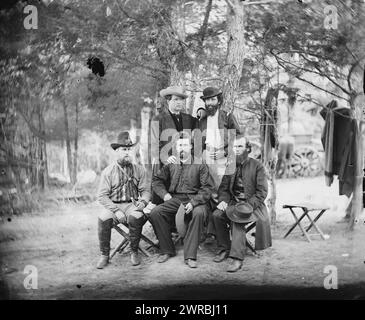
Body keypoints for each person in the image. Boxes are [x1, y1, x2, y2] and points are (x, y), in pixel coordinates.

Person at [149, 131, 213, 268]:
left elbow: (207, 188)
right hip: (176, 199)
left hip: (196, 199)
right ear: (176, 148)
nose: (182, 148)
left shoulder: (200, 163)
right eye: (179, 145)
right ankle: (167, 249)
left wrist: (194, 202)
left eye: (185, 145)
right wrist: (165, 195)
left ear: (190, 147)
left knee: (199, 213)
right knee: (156, 212)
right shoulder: (171, 163)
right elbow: (156, 181)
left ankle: (190, 255)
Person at [212, 134, 272, 272]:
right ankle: (224, 248)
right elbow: (224, 188)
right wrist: (223, 201)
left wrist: (248, 206)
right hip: (233, 202)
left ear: (247, 149)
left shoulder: (257, 166)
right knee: (216, 215)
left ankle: (237, 258)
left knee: (237, 219)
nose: (237, 149)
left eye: (240, 146)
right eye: (235, 147)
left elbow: (262, 192)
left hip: (253, 206)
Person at [96, 131, 151, 269]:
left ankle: (134, 251)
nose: (127, 152)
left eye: (129, 149)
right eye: (123, 150)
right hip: (114, 206)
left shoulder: (139, 170)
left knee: (136, 217)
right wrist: (115, 210)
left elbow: (145, 191)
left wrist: (143, 202)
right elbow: (102, 196)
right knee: (103, 219)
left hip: (132, 205)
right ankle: (104, 255)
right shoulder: (108, 171)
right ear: (116, 151)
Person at [198, 86, 242, 239]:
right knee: (208, 192)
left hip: (224, 159)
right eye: (207, 100)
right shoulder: (202, 119)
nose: (210, 103)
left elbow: (237, 136)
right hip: (208, 160)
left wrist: (225, 151)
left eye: (213, 99)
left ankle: (223, 226)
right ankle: (211, 231)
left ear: (218, 101)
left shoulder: (227, 116)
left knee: (222, 191)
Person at [150, 86, 199, 204]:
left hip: (185, 162)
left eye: (181, 100)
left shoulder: (190, 119)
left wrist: (201, 110)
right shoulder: (158, 119)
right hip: (167, 161)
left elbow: (197, 139)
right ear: (168, 101)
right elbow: (155, 143)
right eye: (176, 100)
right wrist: (165, 158)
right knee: (164, 196)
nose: (179, 102)